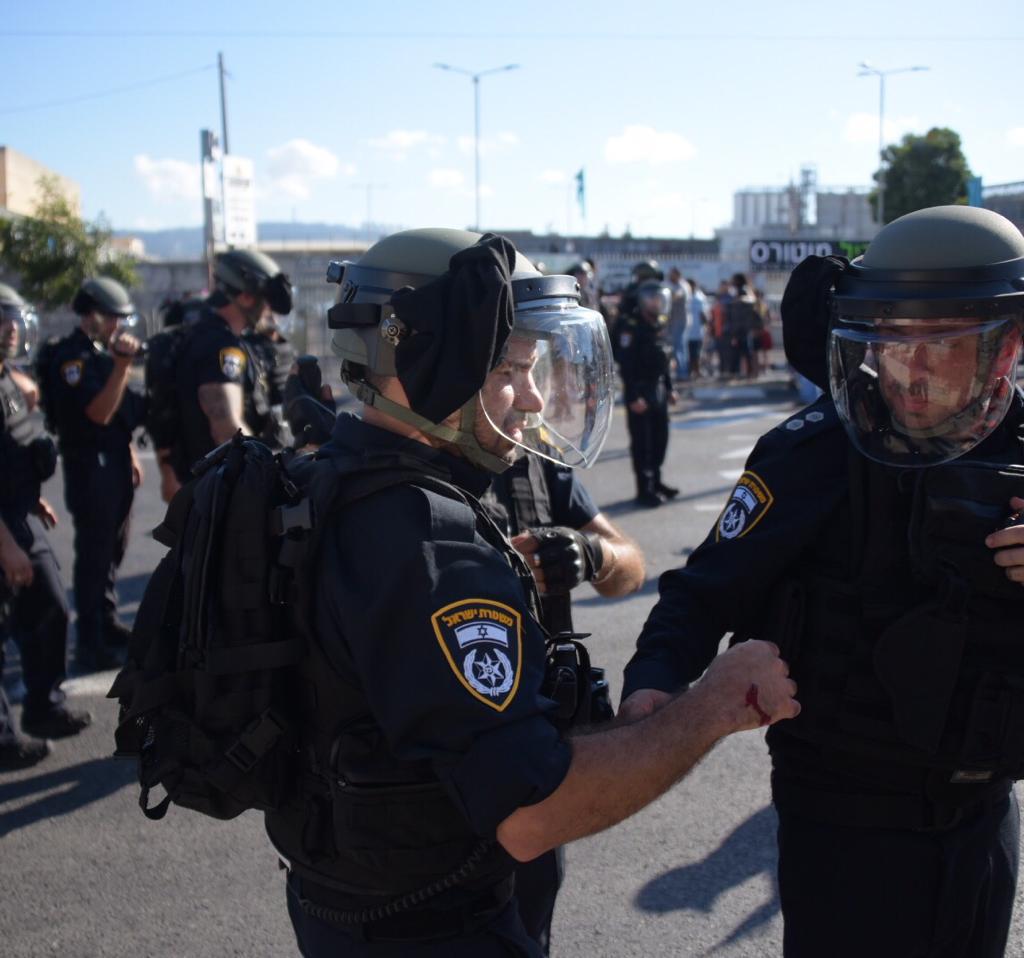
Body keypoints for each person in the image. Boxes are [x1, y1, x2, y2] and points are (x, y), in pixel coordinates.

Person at [267, 227, 799, 956]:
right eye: (508, 369)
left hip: (357, 897)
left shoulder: (335, 480)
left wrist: (589, 559)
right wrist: (712, 705)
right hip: (434, 919)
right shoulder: (427, 543)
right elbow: (530, 812)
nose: (531, 396)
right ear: (423, 360)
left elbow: (622, 563)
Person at [620, 205, 1024, 958]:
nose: (912, 369)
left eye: (944, 345)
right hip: (845, 829)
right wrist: (654, 686)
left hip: (985, 818)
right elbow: (703, 589)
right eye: (892, 341)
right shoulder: (811, 453)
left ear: (1008, 346)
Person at [479, 453, 645, 952]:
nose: (529, 411)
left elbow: (631, 568)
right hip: (430, 775)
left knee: (529, 926)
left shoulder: (534, 463)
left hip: (534, 756)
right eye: (509, 371)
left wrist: (593, 554)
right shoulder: (397, 467)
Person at [0, 283, 91, 769]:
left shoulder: (7, 379)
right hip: (3, 529)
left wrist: (29, 495)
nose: (11, 329)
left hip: (17, 514)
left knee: (51, 605)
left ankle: (43, 706)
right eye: (1, 320)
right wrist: (6, 546)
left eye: (13, 319)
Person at [40, 277, 146, 672]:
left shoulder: (100, 353)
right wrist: (122, 366)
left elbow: (116, 416)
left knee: (113, 549)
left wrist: (129, 452)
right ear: (92, 315)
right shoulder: (73, 359)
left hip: (113, 460)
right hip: (89, 465)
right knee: (94, 555)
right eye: (111, 317)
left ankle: (106, 621)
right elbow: (98, 414)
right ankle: (89, 642)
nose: (117, 325)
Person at [156, 248, 292, 501]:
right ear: (247, 297)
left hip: (213, 488)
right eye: (265, 302)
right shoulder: (220, 346)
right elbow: (227, 428)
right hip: (220, 494)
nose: (268, 312)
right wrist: (273, 476)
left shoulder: (211, 334)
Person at [615, 279, 679, 507]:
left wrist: (670, 388)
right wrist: (633, 396)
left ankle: (657, 482)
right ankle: (645, 490)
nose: (657, 303)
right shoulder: (630, 326)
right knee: (643, 444)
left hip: (658, 389)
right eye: (653, 299)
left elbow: (665, 360)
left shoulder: (659, 324)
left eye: (660, 299)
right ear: (643, 301)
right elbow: (626, 365)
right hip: (640, 390)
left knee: (660, 440)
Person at [666, 266, 691, 380]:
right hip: (673, 320)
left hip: (680, 320)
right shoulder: (671, 284)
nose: (670, 276)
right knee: (675, 347)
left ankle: (682, 373)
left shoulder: (682, 285)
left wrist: (666, 293)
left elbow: (676, 295)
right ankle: (680, 372)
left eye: (672, 274)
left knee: (679, 347)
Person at [686, 277, 708, 381]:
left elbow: (703, 314)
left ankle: (696, 371)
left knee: (696, 352)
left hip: (696, 330)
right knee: (691, 353)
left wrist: (706, 325)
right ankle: (692, 371)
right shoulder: (690, 296)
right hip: (689, 331)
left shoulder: (699, 297)